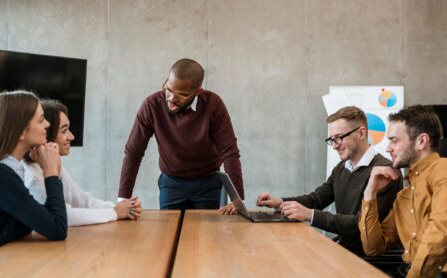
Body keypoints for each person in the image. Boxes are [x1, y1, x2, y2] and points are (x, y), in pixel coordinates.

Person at [257, 106, 402, 254]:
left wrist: (310, 215)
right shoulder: (341, 168)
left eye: (339, 138)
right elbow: (317, 199)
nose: (334, 146)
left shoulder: (385, 172)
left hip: (367, 260)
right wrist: (280, 202)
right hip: (345, 251)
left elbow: (361, 223)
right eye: (331, 140)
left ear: (361, 133)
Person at [118, 58, 243, 213]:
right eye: (168, 90)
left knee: (204, 235)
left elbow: (230, 153)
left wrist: (237, 201)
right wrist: (122, 200)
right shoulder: (152, 105)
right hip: (171, 183)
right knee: (169, 234)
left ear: (198, 92)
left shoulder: (213, 104)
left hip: (208, 183)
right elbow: (133, 152)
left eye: (181, 95)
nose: (171, 98)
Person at [0, 91, 67, 261]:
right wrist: (51, 172)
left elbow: (46, 218)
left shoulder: (3, 170)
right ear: (21, 132)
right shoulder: (0, 176)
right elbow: (57, 228)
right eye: (41, 120)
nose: (48, 124)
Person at [359, 105, 447, 278]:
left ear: (421, 141)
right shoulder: (404, 196)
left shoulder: (442, 170)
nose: (388, 148)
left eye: (394, 140)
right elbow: (374, 248)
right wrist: (370, 193)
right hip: (409, 273)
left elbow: (440, 232)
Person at [22, 99, 142, 226]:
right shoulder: (32, 178)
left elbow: (83, 201)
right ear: (45, 133)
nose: (72, 136)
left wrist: (125, 208)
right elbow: (65, 216)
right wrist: (115, 213)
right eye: (64, 131)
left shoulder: (54, 167)